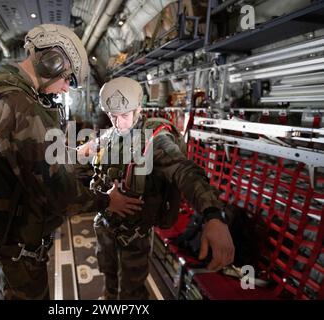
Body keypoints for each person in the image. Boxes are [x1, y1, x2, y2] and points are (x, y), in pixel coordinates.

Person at [0, 25, 143, 299]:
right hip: (18, 245)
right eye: (67, 78)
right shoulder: (22, 107)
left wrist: (75, 152)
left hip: (3, 239)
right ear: (52, 61)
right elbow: (61, 194)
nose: (64, 89)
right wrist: (109, 201)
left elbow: (29, 159)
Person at [79, 77, 235, 300]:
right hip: (105, 227)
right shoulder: (112, 134)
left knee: (131, 293)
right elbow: (94, 145)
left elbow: (186, 172)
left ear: (139, 109)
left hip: (133, 236)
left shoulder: (155, 140)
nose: (118, 123)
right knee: (109, 280)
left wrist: (213, 215)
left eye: (124, 115)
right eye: (112, 116)